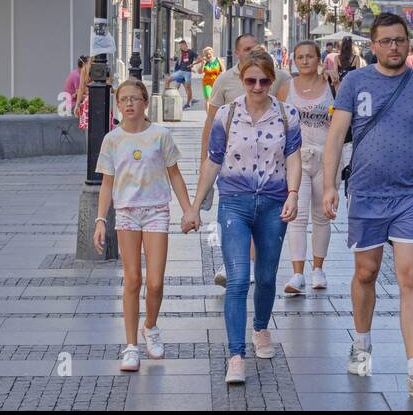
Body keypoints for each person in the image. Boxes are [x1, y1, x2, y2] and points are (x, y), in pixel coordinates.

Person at [322, 12, 413, 401]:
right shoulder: (354, 82)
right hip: (365, 193)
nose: (394, 47)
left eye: (400, 40)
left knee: (411, 279)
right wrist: (329, 186)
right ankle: (361, 342)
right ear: (373, 45)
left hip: (411, 196)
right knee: (366, 273)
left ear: (408, 42)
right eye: (386, 41)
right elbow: (335, 138)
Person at [186, 51, 301, 385]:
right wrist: (194, 206)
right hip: (234, 201)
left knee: (265, 277)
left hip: (273, 201)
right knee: (238, 280)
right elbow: (213, 161)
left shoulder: (286, 114)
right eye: (251, 80)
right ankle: (236, 354)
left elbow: (293, 157)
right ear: (242, 79)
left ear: (272, 80)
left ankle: (261, 328)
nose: (257, 86)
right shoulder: (227, 113)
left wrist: (293, 194)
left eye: (264, 81)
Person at [93, 79, 195, 371]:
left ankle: (150, 326)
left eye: (134, 99)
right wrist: (101, 219)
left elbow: (174, 175)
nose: (128, 104)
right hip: (126, 213)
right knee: (133, 280)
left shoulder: (160, 135)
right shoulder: (112, 139)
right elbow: (106, 183)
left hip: (156, 211)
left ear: (145, 103)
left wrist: (188, 209)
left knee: (155, 282)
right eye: (123, 99)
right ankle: (130, 347)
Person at [276, 40, 335, 294]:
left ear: (318, 59)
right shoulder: (286, 88)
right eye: (300, 57)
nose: (305, 61)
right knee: (297, 217)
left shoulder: (331, 84)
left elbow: (341, 121)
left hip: (326, 157)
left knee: (323, 216)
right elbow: (277, 123)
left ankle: (318, 269)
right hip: (296, 159)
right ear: (294, 60)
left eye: (310, 56)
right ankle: (297, 274)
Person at [165, 39, 197, 109]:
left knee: (184, 87)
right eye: (180, 46)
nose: (181, 48)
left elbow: (196, 60)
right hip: (179, 71)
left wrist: (192, 65)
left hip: (184, 72)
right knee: (181, 86)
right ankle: (168, 98)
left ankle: (188, 102)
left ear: (185, 45)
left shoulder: (190, 52)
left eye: (181, 46)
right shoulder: (181, 53)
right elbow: (179, 62)